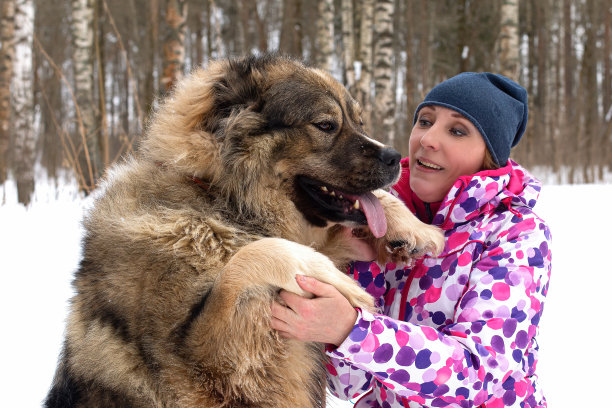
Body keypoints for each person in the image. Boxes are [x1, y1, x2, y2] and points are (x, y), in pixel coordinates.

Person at [270, 72, 552, 407]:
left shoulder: (516, 232)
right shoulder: (382, 218)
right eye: (424, 121)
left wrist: (353, 329)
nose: (428, 139)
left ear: (488, 156)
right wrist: (362, 266)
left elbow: (479, 373)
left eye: (457, 130)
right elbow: (348, 384)